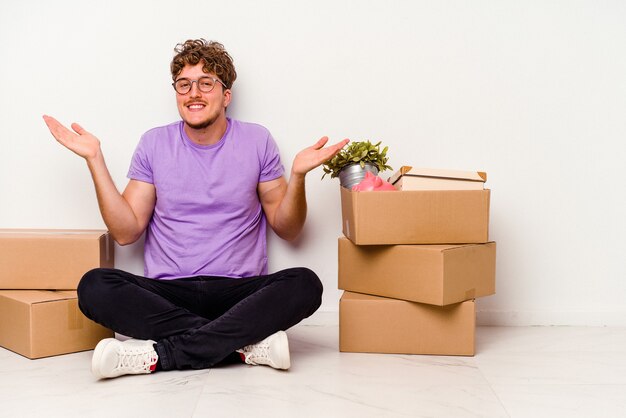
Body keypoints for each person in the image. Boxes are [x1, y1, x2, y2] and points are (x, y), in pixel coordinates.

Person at [43, 39, 348, 379]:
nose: (194, 93)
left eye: (206, 83)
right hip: (170, 293)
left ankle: (160, 355)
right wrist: (95, 160)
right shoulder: (154, 143)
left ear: (226, 95)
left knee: (305, 284)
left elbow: (288, 228)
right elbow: (126, 232)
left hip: (238, 292)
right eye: (184, 85)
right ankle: (241, 345)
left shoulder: (257, 141)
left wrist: (298, 176)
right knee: (94, 286)